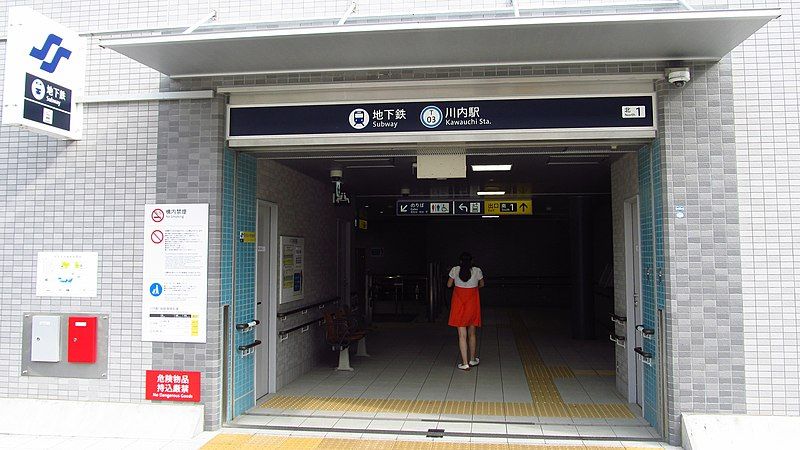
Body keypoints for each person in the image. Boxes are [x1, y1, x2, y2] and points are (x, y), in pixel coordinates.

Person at [447, 252, 484, 371]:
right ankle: (472, 359)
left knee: (462, 335)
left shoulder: (455, 270)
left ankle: (464, 363)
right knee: (472, 334)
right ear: (472, 261)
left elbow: (448, 285)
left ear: (460, 261)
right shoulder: (477, 271)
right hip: (472, 303)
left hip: (458, 303)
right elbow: (482, 284)